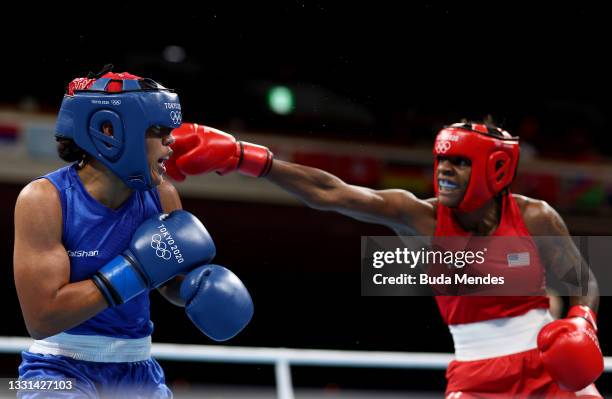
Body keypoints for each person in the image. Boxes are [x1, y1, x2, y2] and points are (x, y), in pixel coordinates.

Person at [165, 121, 604, 398]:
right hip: (476, 377)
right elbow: (332, 193)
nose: (446, 170)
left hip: (549, 367)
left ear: (495, 168)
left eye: (460, 163)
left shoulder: (535, 216)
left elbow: (582, 280)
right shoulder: (422, 218)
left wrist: (583, 320)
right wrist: (247, 158)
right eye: (443, 160)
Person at [13, 67, 254, 398]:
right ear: (109, 130)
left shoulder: (162, 196)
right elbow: (42, 318)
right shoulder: (45, 200)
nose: (171, 141)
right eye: (158, 130)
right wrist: (135, 270)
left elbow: (165, 279)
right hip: (60, 366)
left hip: (138, 369)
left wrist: (192, 289)